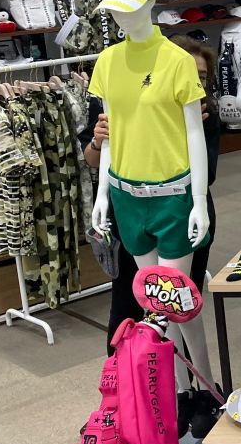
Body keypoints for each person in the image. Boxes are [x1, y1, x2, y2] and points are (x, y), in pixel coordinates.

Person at [80, 34, 221, 354]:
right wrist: (100, 144)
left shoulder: (203, 115)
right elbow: (94, 156)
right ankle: (129, 372)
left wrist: (176, 131)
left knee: (177, 305)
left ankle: (188, 380)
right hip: (129, 206)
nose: (194, 84)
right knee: (130, 301)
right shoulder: (119, 85)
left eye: (201, 77)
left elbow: (207, 172)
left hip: (180, 209)